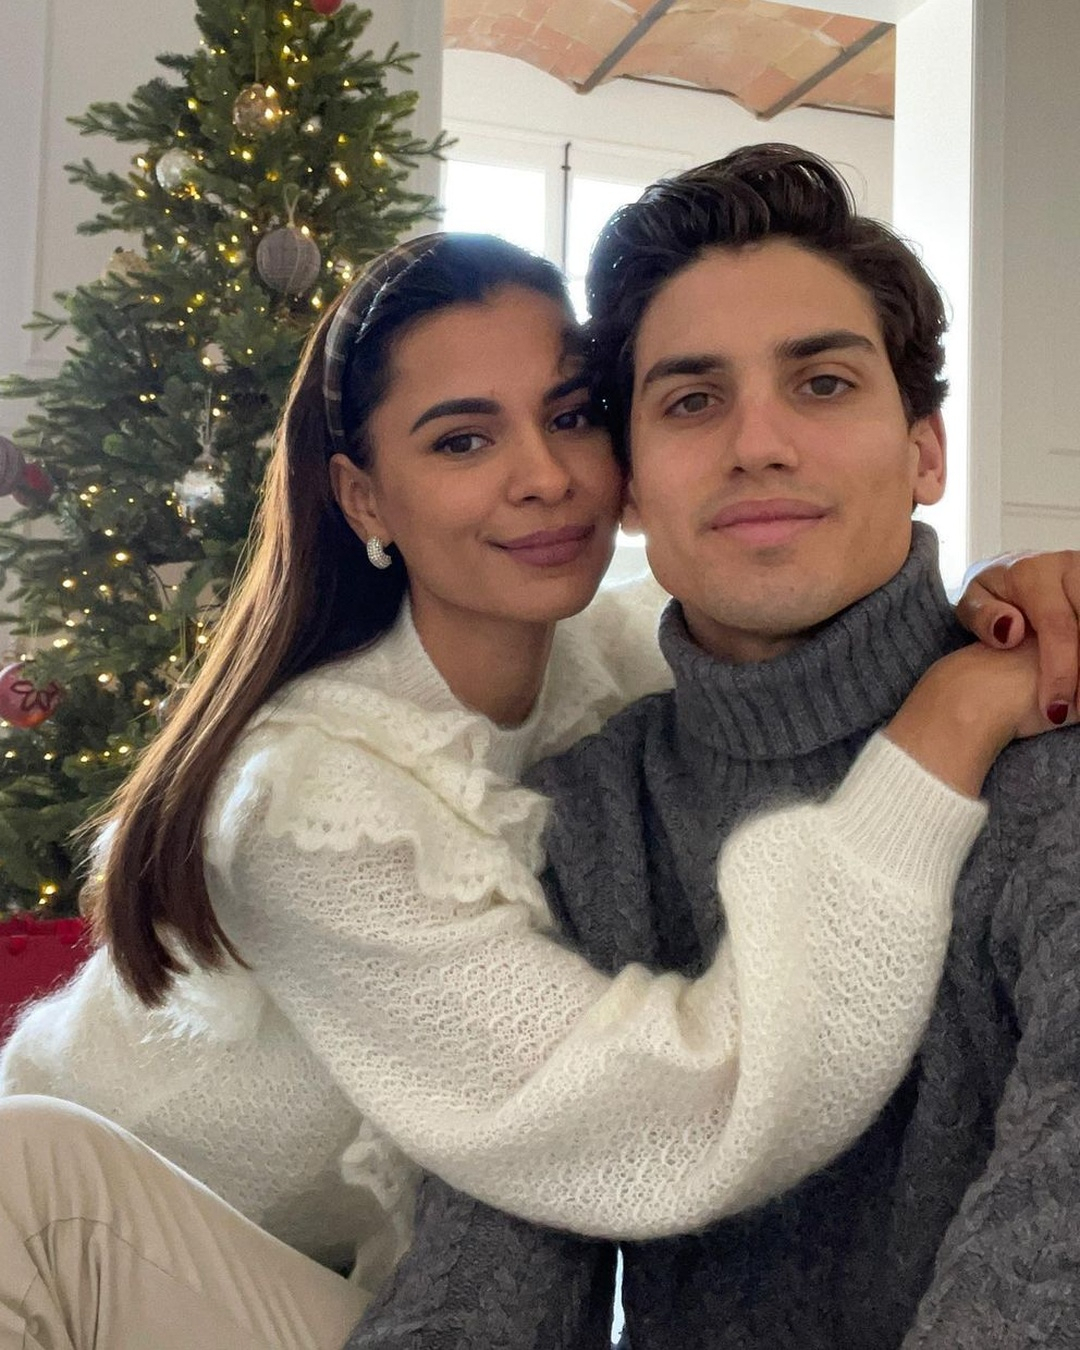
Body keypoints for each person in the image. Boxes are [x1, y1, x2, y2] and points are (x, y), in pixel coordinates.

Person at [0, 230, 1073, 1350]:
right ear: (365, 500)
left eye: (568, 417)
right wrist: (949, 720)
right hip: (110, 1255)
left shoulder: (614, 666)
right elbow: (683, 1113)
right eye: (463, 439)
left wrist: (1014, 606)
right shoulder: (316, 807)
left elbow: (794, 607)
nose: (546, 477)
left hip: (368, 1272)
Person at [344, 149, 1080, 1349]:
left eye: (823, 384)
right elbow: (487, 1275)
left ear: (926, 450)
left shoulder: (1059, 734)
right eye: (693, 401)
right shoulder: (583, 820)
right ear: (631, 489)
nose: (759, 445)